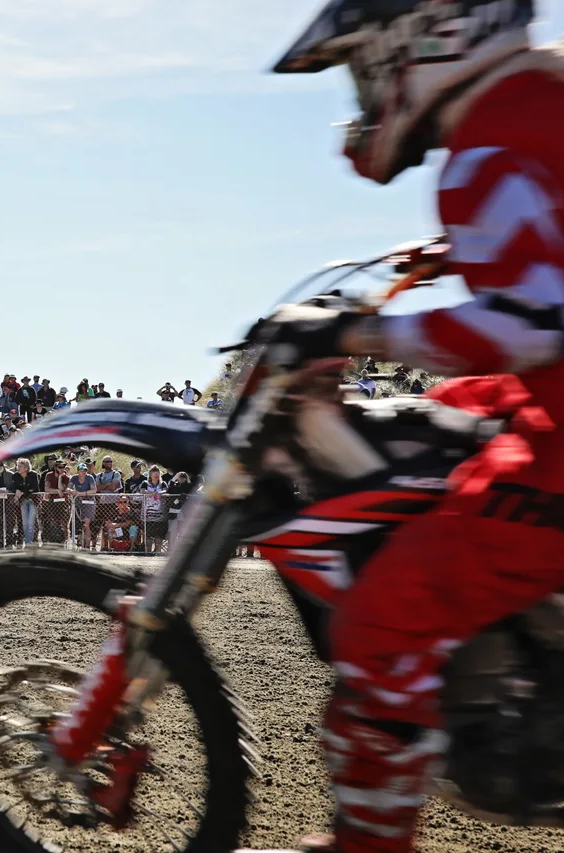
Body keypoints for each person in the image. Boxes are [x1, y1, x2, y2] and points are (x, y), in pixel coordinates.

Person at [200, 5, 564, 851]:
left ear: (422, 34)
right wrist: (448, 253)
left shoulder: (487, 145)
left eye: (365, 69)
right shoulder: (539, 89)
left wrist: (348, 334)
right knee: (458, 410)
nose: (366, 95)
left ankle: (370, 841)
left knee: (381, 621)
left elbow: (534, 323)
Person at [10, 458, 39, 547]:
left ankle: (30, 542)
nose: (18, 468)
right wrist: (17, 490)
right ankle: (27, 542)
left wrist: (23, 492)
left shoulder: (33, 475)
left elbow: (35, 488)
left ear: (26, 468)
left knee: (31, 522)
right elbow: (13, 487)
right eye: (18, 466)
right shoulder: (15, 476)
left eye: (20, 466)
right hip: (22, 502)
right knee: (24, 523)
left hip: (32, 501)